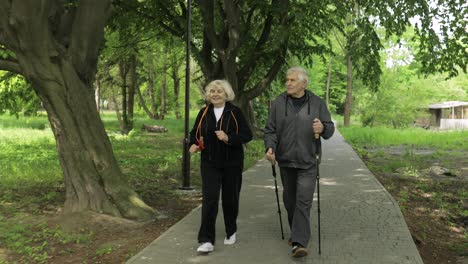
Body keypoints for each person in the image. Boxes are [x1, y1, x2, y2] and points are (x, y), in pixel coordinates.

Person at [264, 66, 335, 258]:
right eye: (287, 80)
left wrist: (323, 127)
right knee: (290, 201)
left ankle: (299, 242)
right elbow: (270, 129)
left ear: (304, 83)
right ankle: (297, 231)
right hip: (285, 160)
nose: (288, 83)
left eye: (292, 80)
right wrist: (270, 147)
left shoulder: (317, 103)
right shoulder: (279, 103)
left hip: (308, 161)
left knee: (303, 202)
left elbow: (329, 130)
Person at [189, 79, 253, 253]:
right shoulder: (203, 112)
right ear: (208, 95)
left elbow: (247, 135)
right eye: (212, 91)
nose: (215, 94)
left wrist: (228, 138)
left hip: (232, 163)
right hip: (209, 163)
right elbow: (194, 133)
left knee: (230, 199)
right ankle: (206, 240)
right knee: (210, 199)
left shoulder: (235, 112)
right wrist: (194, 144)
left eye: (219, 91)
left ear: (226, 94)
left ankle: (230, 230)